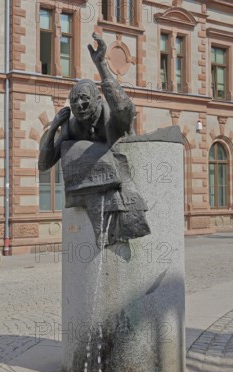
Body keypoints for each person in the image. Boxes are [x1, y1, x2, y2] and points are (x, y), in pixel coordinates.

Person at [38, 33, 149, 246]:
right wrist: (53, 129)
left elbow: (125, 107)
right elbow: (44, 164)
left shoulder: (111, 117)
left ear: (98, 100)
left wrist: (101, 66)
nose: (79, 105)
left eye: (84, 99)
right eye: (74, 101)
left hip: (126, 177)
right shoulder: (72, 125)